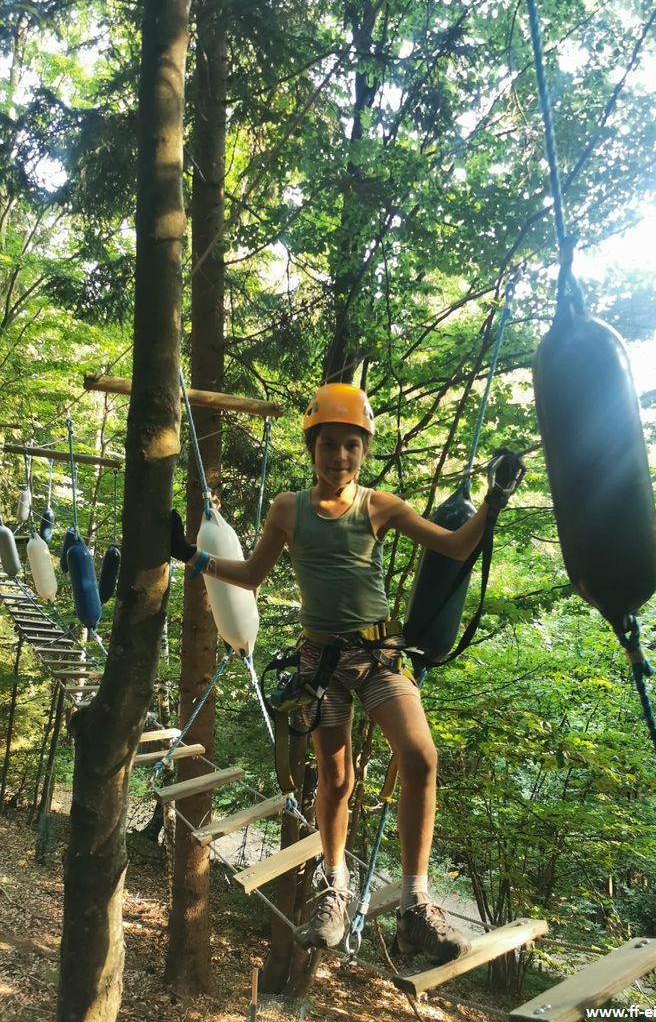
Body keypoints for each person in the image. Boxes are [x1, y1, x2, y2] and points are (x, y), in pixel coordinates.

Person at [171, 383, 524, 963]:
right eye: (329, 444)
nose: (339, 456)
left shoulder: (380, 506)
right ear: (312, 447)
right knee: (335, 780)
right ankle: (335, 889)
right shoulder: (288, 509)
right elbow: (253, 574)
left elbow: (458, 548)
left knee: (421, 758)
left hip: (379, 655)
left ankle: (415, 903)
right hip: (320, 664)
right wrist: (194, 556)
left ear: (364, 451)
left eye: (351, 445)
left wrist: (494, 500)